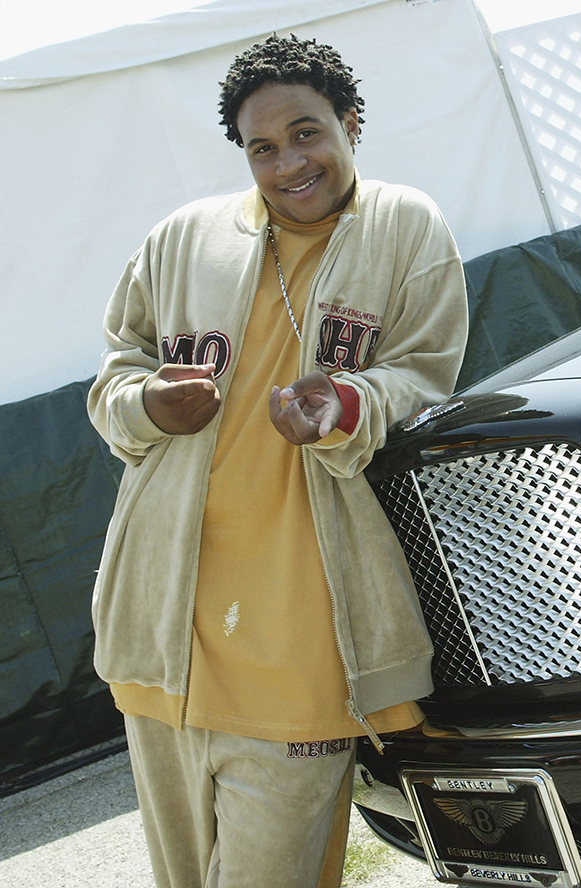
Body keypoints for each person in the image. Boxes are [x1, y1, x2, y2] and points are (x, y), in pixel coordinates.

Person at [87, 34, 468, 888]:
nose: (288, 162)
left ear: (350, 123)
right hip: (164, 631)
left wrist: (346, 403)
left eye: (307, 133)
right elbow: (114, 381)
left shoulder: (407, 227)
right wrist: (150, 403)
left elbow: (425, 373)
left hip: (304, 643)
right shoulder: (181, 239)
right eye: (263, 147)